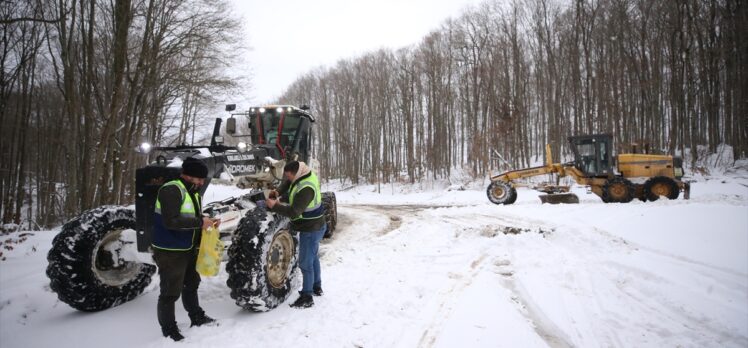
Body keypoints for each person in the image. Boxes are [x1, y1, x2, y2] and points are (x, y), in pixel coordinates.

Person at [152, 157, 220, 341]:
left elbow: (192, 215)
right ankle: (169, 330)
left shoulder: (193, 191)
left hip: (187, 247)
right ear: (190, 177)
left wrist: (207, 220)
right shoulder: (172, 190)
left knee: (191, 284)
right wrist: (200, 222)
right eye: (200, 179)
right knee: (170, 291)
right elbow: (171, 221)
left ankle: (196, 316)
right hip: (170, 250)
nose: (202, 182)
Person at [266, 160, 326, 308]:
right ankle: (316, 286)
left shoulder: (306, 188)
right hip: (316, 225)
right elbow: (288, 184)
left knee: (305, 263)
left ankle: (307, 296)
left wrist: (275, 206)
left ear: (295, 174)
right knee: (313, 257)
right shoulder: (302, 174)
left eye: (288, 176)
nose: (287, 178)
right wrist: (278, 192)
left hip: (311, 228)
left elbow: (294, 212)